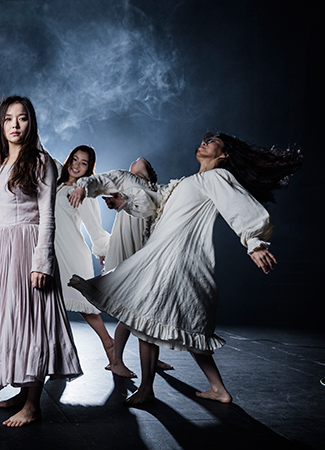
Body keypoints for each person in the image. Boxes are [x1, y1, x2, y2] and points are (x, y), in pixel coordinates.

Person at [68, 132, 302, 405]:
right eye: (206, 138)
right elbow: (152, 201)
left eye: (213, 141)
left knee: (146, 321)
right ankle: (217, 389)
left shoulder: (216, 177)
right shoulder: (184, 183)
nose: (205, 141)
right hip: (165, 257)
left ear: (223, 155)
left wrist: (254, 242)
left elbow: (237, 205)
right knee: (171, 324)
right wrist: (120, 200)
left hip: (177, 260)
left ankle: (147, 389)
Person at [0, 96, 82, 427]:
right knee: (10, 322)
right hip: (0, 254)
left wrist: (42, 262)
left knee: (33, 324)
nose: (15, 124)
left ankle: (32, 404)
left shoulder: (42, 162)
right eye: (8, 119)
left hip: (29, 249)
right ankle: (21, 393)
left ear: (31, 123)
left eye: (22, 117)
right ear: (0, 126)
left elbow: (47, 217)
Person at [104, 157, 173, 378]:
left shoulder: (155, 193)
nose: (139, 162)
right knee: (131, 311)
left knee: (150, 311)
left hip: (147, 253)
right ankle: (116, 361)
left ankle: (150, 356)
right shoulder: (127, 188)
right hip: (132, 255)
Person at [54, 145, 115, 368]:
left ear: (89, 168)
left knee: (85, 306)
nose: (76, 165)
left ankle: (111, 348)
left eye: (83, 163)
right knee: (51, 305)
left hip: (71, 253)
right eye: (75, 159)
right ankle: (58, 356)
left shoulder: (84, 192)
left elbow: (94, 227)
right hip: (52, 253)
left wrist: (103, 250)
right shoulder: (57, 182)